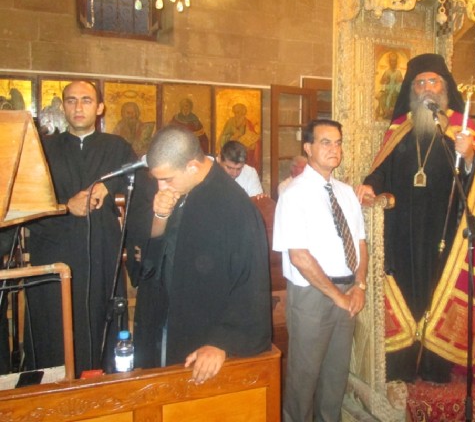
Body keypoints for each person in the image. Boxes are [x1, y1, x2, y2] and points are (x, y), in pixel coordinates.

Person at [356, 53, 475, 383]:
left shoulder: (462, 129)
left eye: (432, 82)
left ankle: (436, 367)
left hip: (445, 230)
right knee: (405, 293)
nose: (425, 88)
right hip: (402, 231)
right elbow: (382, 170)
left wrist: (468, 156)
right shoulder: (401, 129)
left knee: (439, 292)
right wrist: (369, 185)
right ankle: (402, 366)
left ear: (444, 87)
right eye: (419, 82)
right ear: (411, 89)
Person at [133, 125, 271, 383]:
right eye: (158, 179)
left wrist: (222, 341)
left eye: (167, 179)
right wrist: (160, 215)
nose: (162, 186)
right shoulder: (180, 187)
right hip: (164, 314)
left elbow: (251, 280)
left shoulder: (234, 205)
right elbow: (153, 251)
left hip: (203, 331)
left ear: (192, 167)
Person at [26, 80, 138, 375]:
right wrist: (66, 206)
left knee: (103, 324)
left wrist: (108, 185)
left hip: (102, 253)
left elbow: (138, 181)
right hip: (55, 251)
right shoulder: (42, 149)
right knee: (56, 331)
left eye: (86, 100)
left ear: (99, 108)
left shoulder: (117, 147)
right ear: (63, 107)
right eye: (71, 100)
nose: (78, 107)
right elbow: (26, 203)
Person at [273, 119, 368, 421]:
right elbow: (299, 257)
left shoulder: (346, 193)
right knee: (304, 378)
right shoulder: (294, 194)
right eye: (325, 142)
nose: (334, 149)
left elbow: (360, 242)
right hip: (312, 297)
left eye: (338, 142)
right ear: (308, 147)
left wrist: (360, 285)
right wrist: (336, 296)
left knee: (335, 377)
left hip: (348, 290)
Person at [218, 102, 261, 169]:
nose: (237, 114)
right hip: (231, 150)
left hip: (244, 150)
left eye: (239, 112)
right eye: (235, 112)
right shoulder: (230, 122)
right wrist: (231, 137)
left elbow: (253, 136)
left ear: (243, 112)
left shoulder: (247, 123)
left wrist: (252, 142)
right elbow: (223, 137)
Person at [376, 51, 404, 119]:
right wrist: (385, 81)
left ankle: (394, 113)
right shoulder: (387, 72)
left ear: (396, 62)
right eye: (391, 61)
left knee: (397, 97)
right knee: (383, 97)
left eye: (394, 61)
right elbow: (382, 81)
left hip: (396, 90)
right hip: (388, 90)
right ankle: (386, 113)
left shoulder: (398, 72)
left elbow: (402, 82)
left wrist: (399, 81)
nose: (393, 63)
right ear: (389, 62)